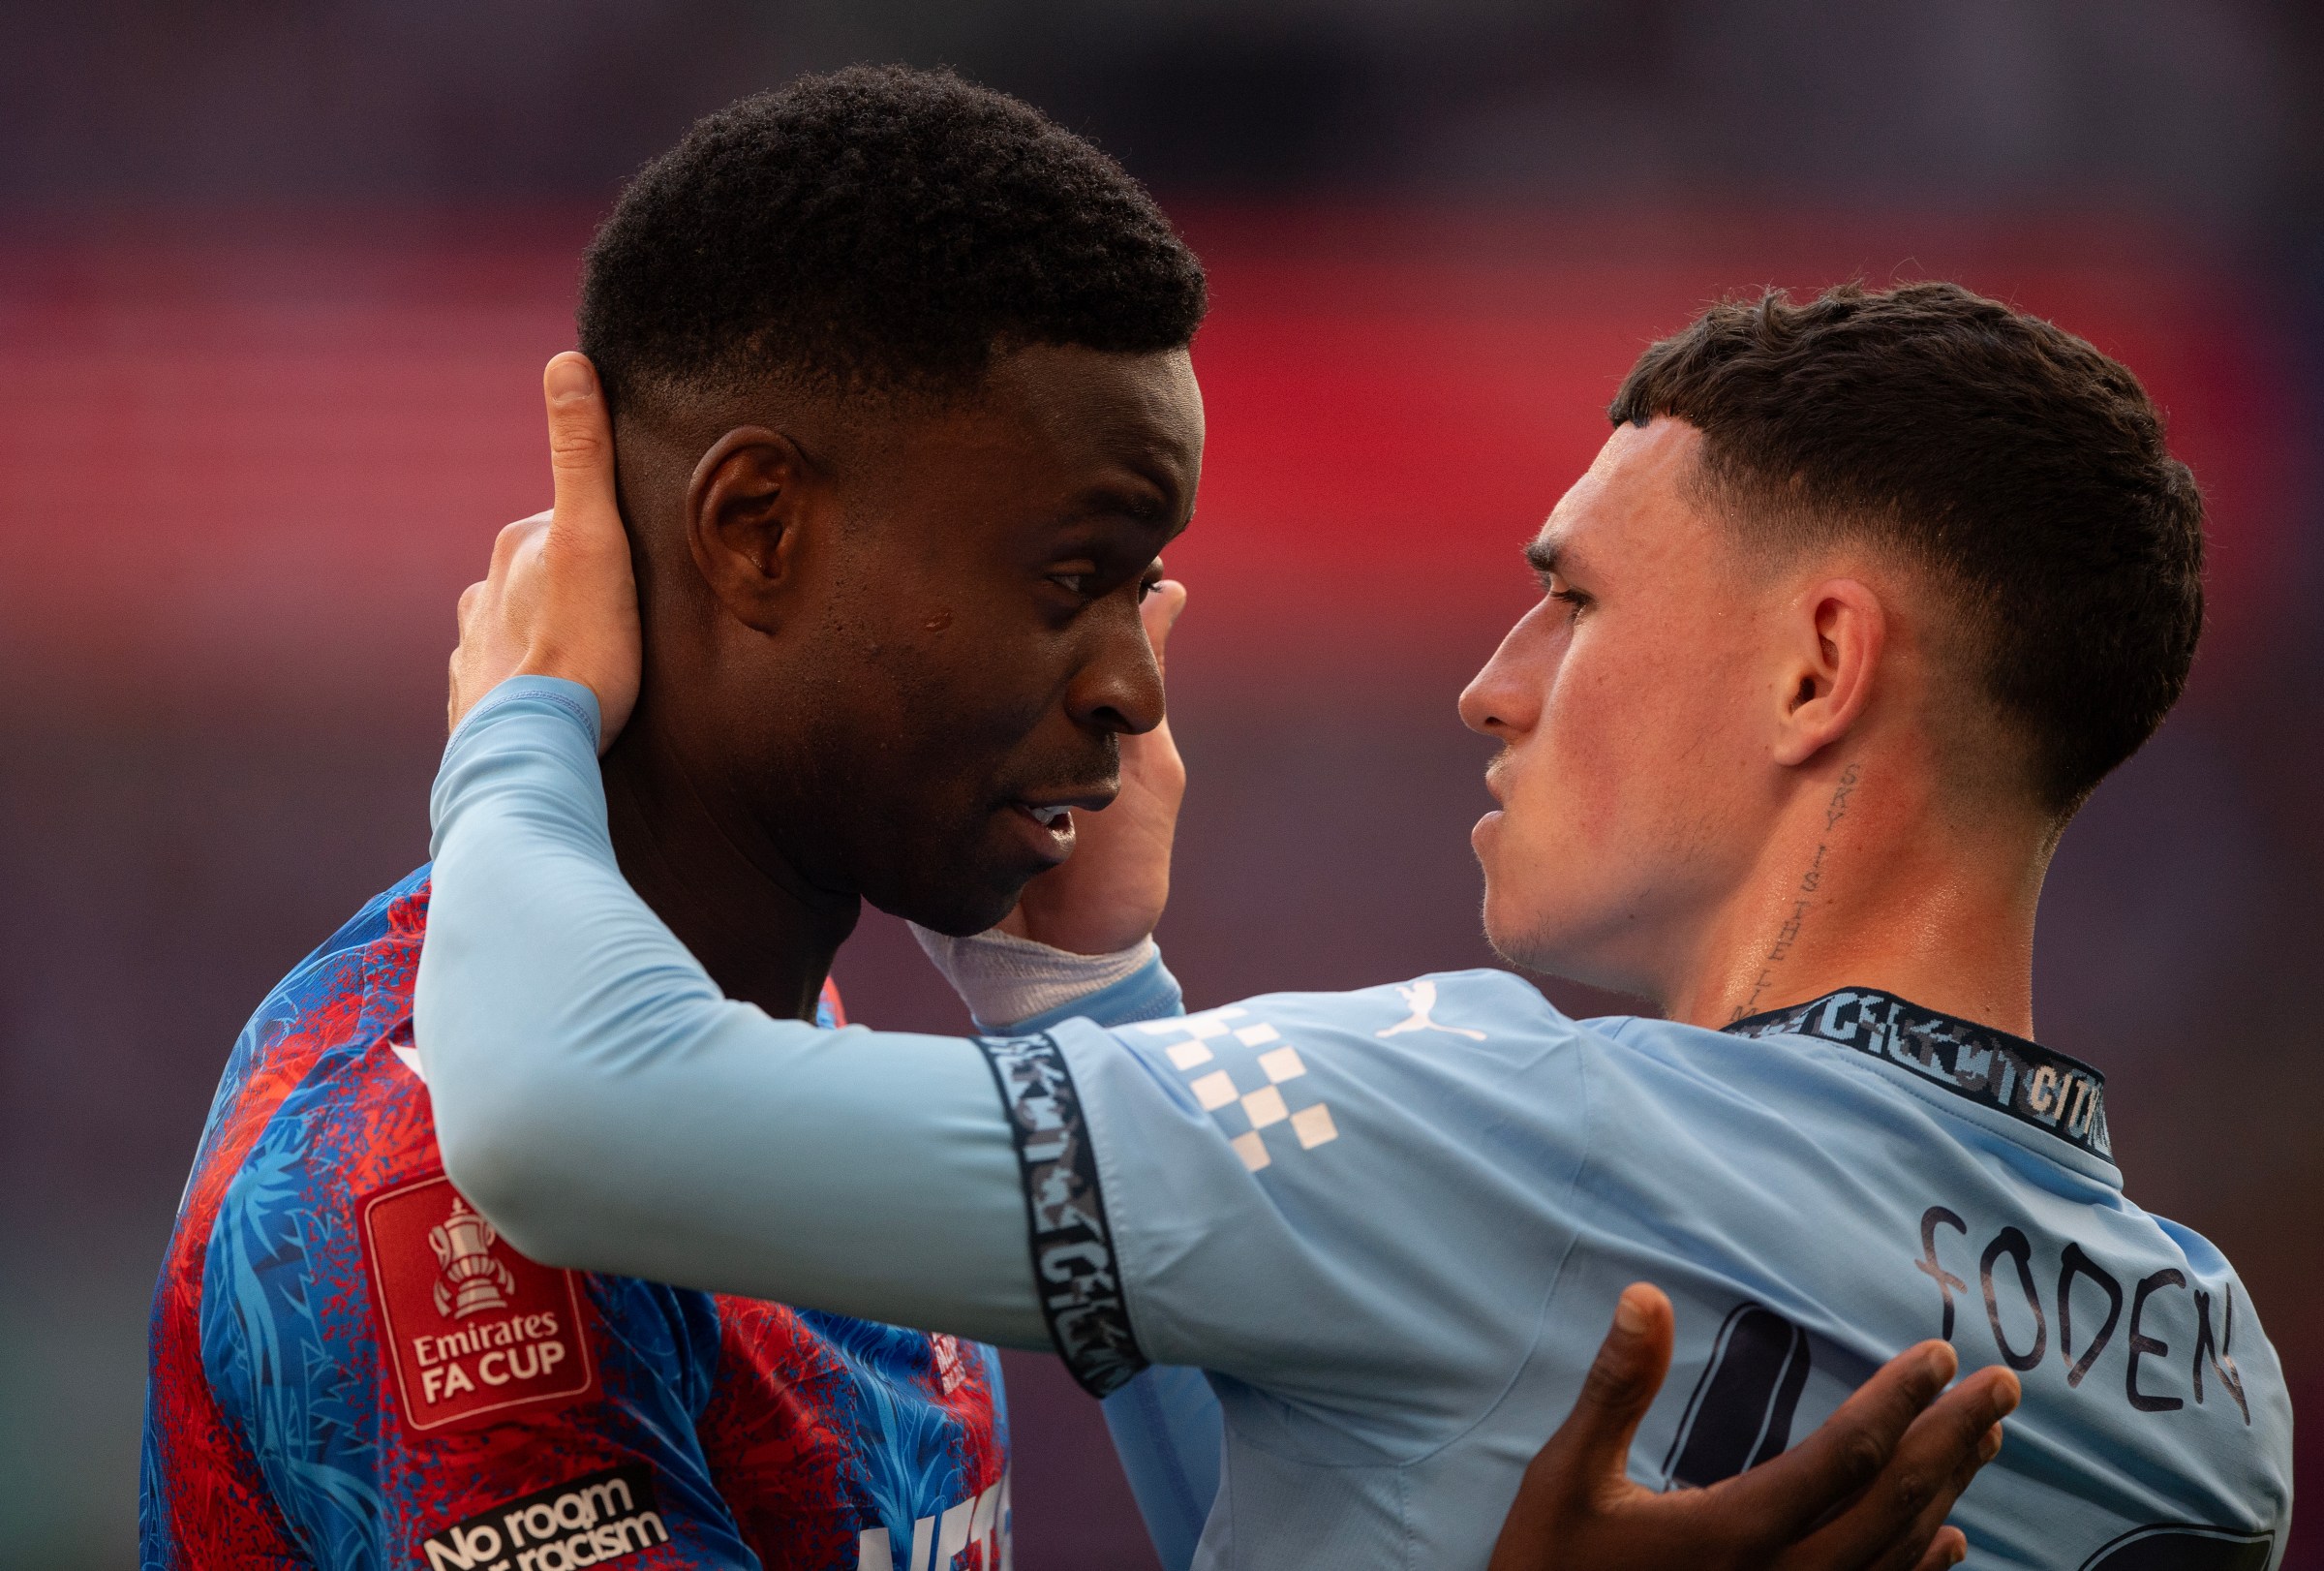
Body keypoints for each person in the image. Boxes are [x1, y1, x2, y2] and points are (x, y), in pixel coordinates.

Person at [139, 68, 1994, 1571]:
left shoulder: (792, 1064)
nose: (1132, 683)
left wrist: (1079, 988)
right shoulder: (423, 1193)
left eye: (1146, 591)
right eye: (1071, 577)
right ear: (757, 530)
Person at [416, 274, 2292, 1570]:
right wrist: (1074, 985)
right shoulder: (2212, 1383)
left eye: (1573, 598)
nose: (1494, 683)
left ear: (1819, 669)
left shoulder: (1498, 1121)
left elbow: (565, 1111)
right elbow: (1329, 1491)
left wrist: (522, 725)